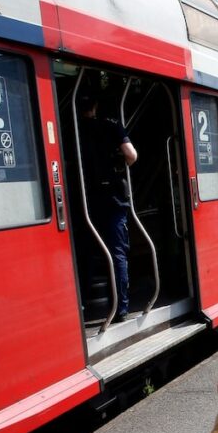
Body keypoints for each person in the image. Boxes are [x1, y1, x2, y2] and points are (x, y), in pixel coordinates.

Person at [79, 91, 138, 323]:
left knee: (88, 253)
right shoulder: (111, 125)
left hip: (87, 199)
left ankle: (82, 304)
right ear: (96, 106)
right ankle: (121, 308)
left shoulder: (73, 128)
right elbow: (131, 155)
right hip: (113, 198)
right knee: (117, 253)